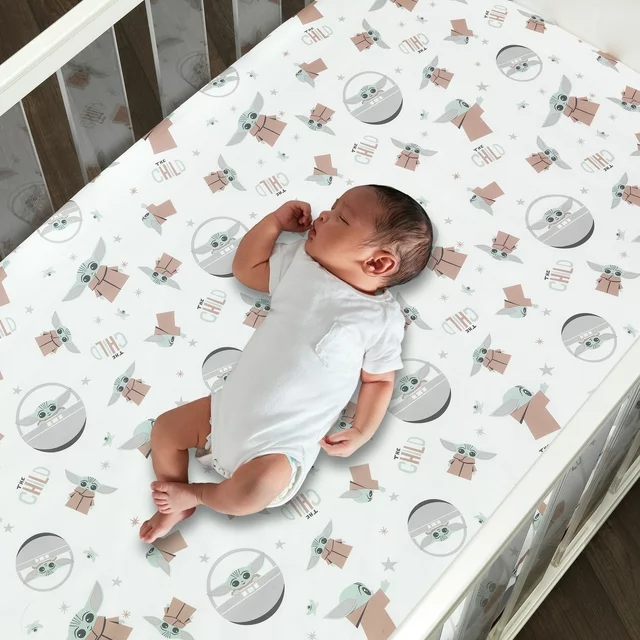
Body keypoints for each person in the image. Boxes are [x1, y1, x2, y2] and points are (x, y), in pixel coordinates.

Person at [140, 185, 433, 543]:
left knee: (254, 491)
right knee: (166, 429)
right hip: (224, 414)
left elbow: (379, 381)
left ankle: (197, 496)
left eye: (340, 217)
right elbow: (247, 268)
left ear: (377, 263)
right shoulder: (300, 264)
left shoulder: (380, 320)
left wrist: (362, 431)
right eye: (332, 207)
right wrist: (274, 223)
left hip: (279, 449)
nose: (324, 215)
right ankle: (173, 503)